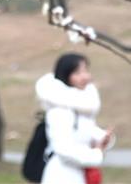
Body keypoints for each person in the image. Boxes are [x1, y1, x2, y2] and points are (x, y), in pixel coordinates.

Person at [36, 53, 114, 184]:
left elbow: (84, 132)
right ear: (65, 75)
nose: (85, 76)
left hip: (78, 174)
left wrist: (102, 138)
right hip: (62, 176)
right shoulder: (59, 110)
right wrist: (95, 154)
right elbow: (63, 149)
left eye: (85, 70)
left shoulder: (81, 109)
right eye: (77, 73)